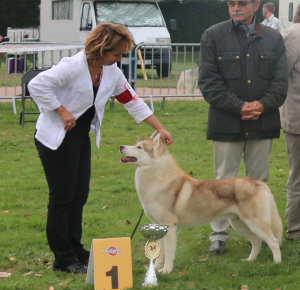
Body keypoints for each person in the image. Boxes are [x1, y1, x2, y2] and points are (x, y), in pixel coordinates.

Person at [28, 22, 172, 274]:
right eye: (116, 54)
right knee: (62, 198)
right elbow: (36, 86)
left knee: (79, 195)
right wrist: (61, 111)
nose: (119, 59)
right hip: (55, 137)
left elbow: (132, 102)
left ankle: (76, 248)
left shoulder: (112, 72)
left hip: (80, 137)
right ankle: (63, 259)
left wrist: (160, 129)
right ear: (100, 48)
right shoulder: (72, 66)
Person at [198, 0, 288, 255]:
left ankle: (259, 234)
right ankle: (218, 235)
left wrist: (262, 105)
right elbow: (208, 82)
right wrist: (239, 107)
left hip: (263, 121)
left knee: (259, 183)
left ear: (256, 5)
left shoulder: (273, 38)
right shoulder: (213, 35)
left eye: (241, 3)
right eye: (231, 3)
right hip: (227, 122)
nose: (235, 8)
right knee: (223, 182)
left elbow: (280, 82)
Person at [280, 5, 300, 241]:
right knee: (298, 177)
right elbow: (280, 75)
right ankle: (295, 229)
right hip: (297, 117)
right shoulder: (293, 34)